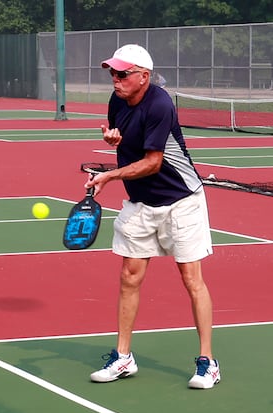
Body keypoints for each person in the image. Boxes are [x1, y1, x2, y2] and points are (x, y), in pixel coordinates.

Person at [87, 44, 219, 389]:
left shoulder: (160, 104)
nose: (115, 80)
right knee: (129, 275)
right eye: (112, 73)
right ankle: (123, 357)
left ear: (143, 76)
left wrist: (108, 176)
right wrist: (111, 139)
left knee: (192, 279)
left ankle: (208, 362)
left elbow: (153, 162)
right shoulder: (117, 102)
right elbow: (124, 142)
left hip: (181, 200)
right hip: (142, 201)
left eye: (122, 74)